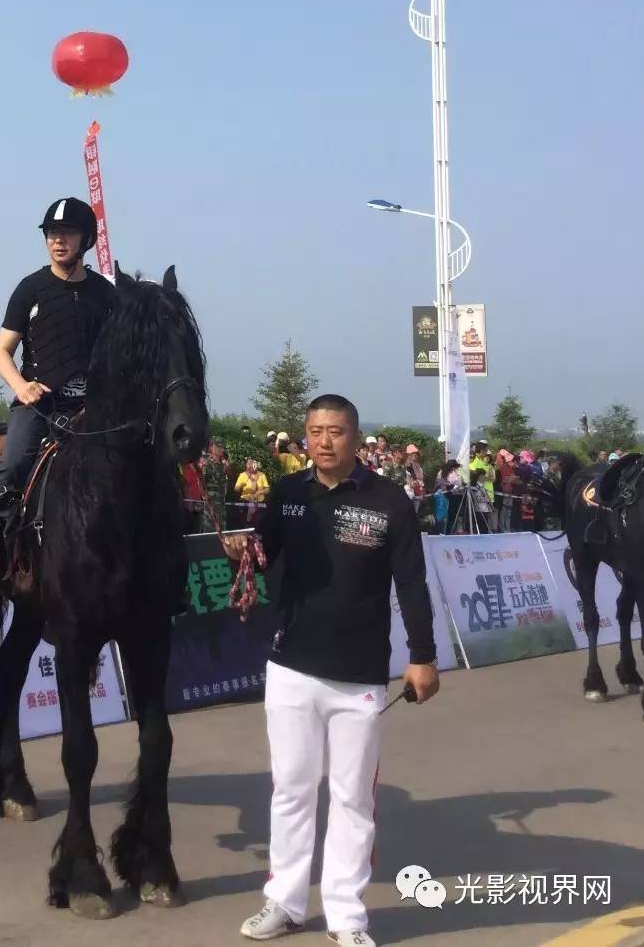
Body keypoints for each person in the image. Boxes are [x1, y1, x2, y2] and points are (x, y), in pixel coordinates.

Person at [232, 393, 438, 947]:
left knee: (352, 798)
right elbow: (265, 554)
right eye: (316, 432)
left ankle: (347, 915)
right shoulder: (287, 493)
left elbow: (413, 583)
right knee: (292, 789)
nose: (325, 442)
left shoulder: (388, 500)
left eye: (337, 432)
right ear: (306, 437)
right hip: (291, 666)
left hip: (360, 676)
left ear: (355, 436)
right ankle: (286, 902)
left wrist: (423, 656)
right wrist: (243, 551)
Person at [0, 195, 116, 594]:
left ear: (87, 240)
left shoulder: (105, 294)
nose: (58, 241)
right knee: (10, 468)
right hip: (39, 405)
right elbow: (1, 351)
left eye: (67, 234)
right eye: (52, 234)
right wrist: (21, 386)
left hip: (92, 408)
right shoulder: (31, 288)